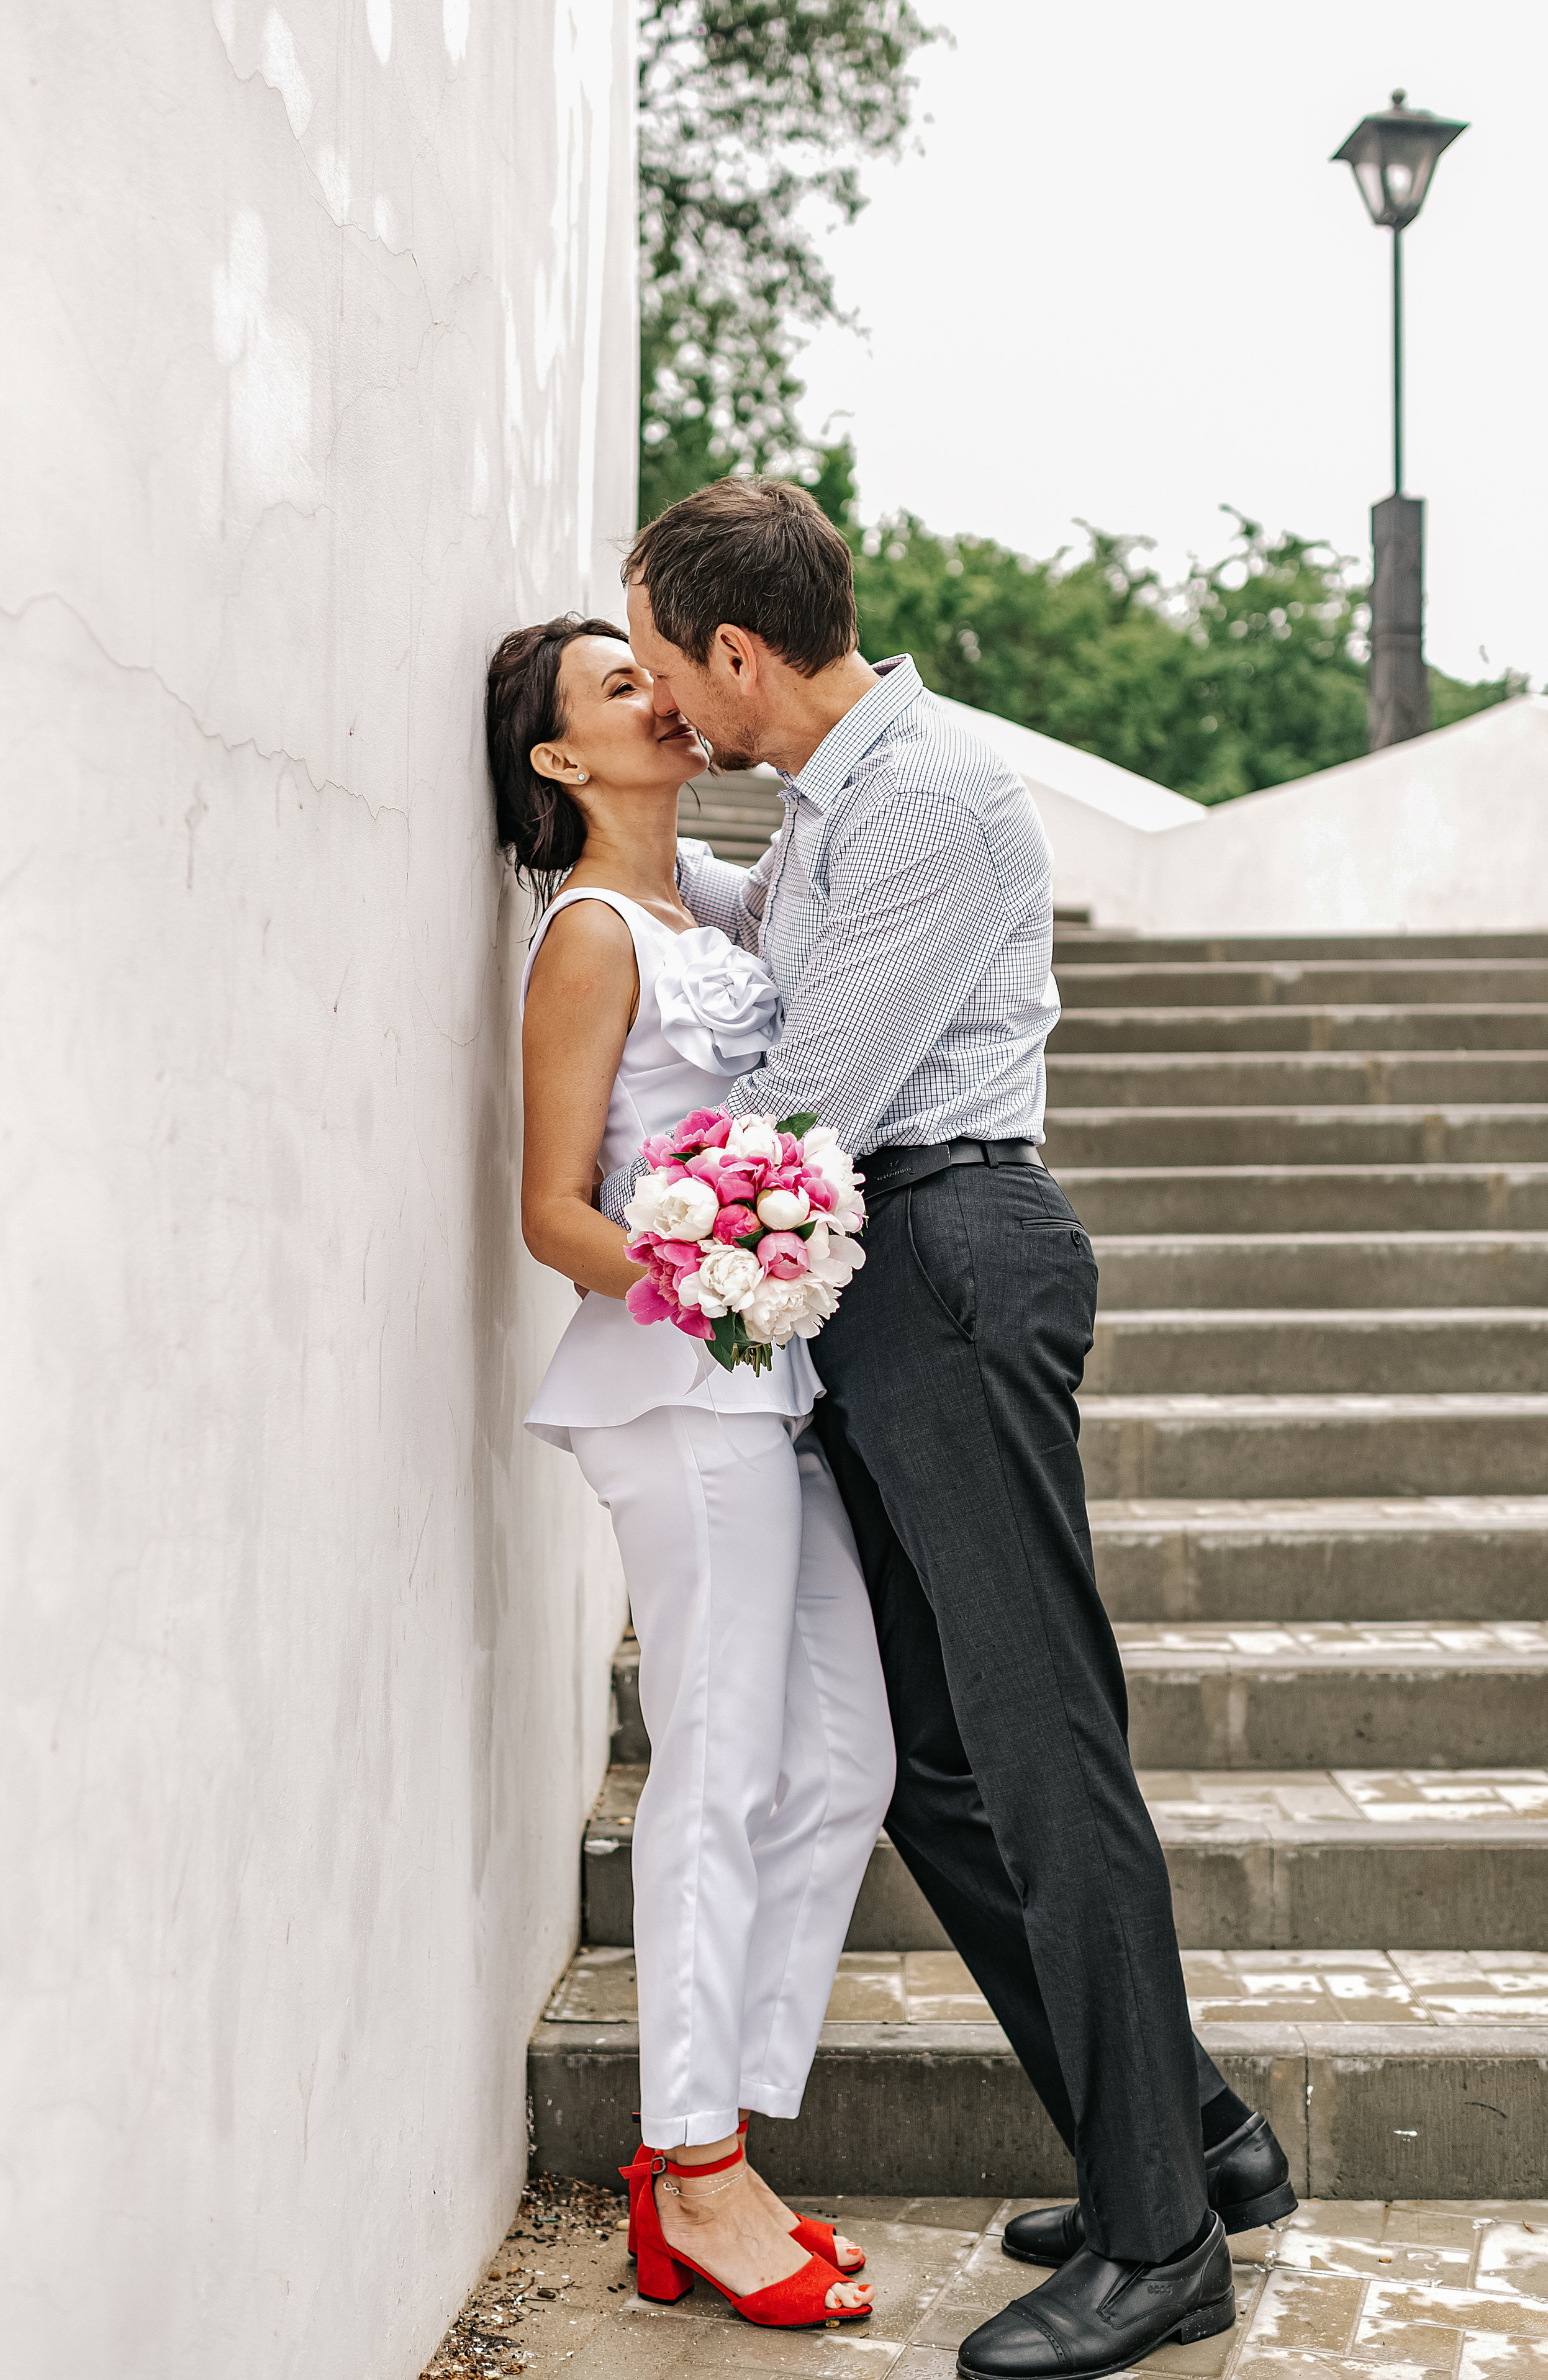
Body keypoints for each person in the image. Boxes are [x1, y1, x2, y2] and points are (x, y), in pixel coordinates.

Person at [604, 480, 1297, 2380]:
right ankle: (1196, 2133)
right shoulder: (834, 799)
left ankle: (1163, 2243)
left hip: (955, 1253)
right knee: (935, 1759)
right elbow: (734, 932)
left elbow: (802, 1080)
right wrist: (624, 816)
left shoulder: (932, 806)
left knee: (1042, 1742)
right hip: (886, 1276)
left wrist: (624, 1229)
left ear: (742, 650)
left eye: (672, 668)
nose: (667, 699)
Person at [487, 613, 895, 2333]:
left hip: (768, 1378)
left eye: (651, 665)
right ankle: (696, 2167)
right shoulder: (587, 935)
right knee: (715, 1766)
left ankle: (715, 2135)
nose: (660, 691)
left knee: (848, 1754)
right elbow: (552, 1209)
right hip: (678, 1382)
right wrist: (710, 1269)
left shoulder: (714, 898)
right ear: (561, 761)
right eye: (614, 685)